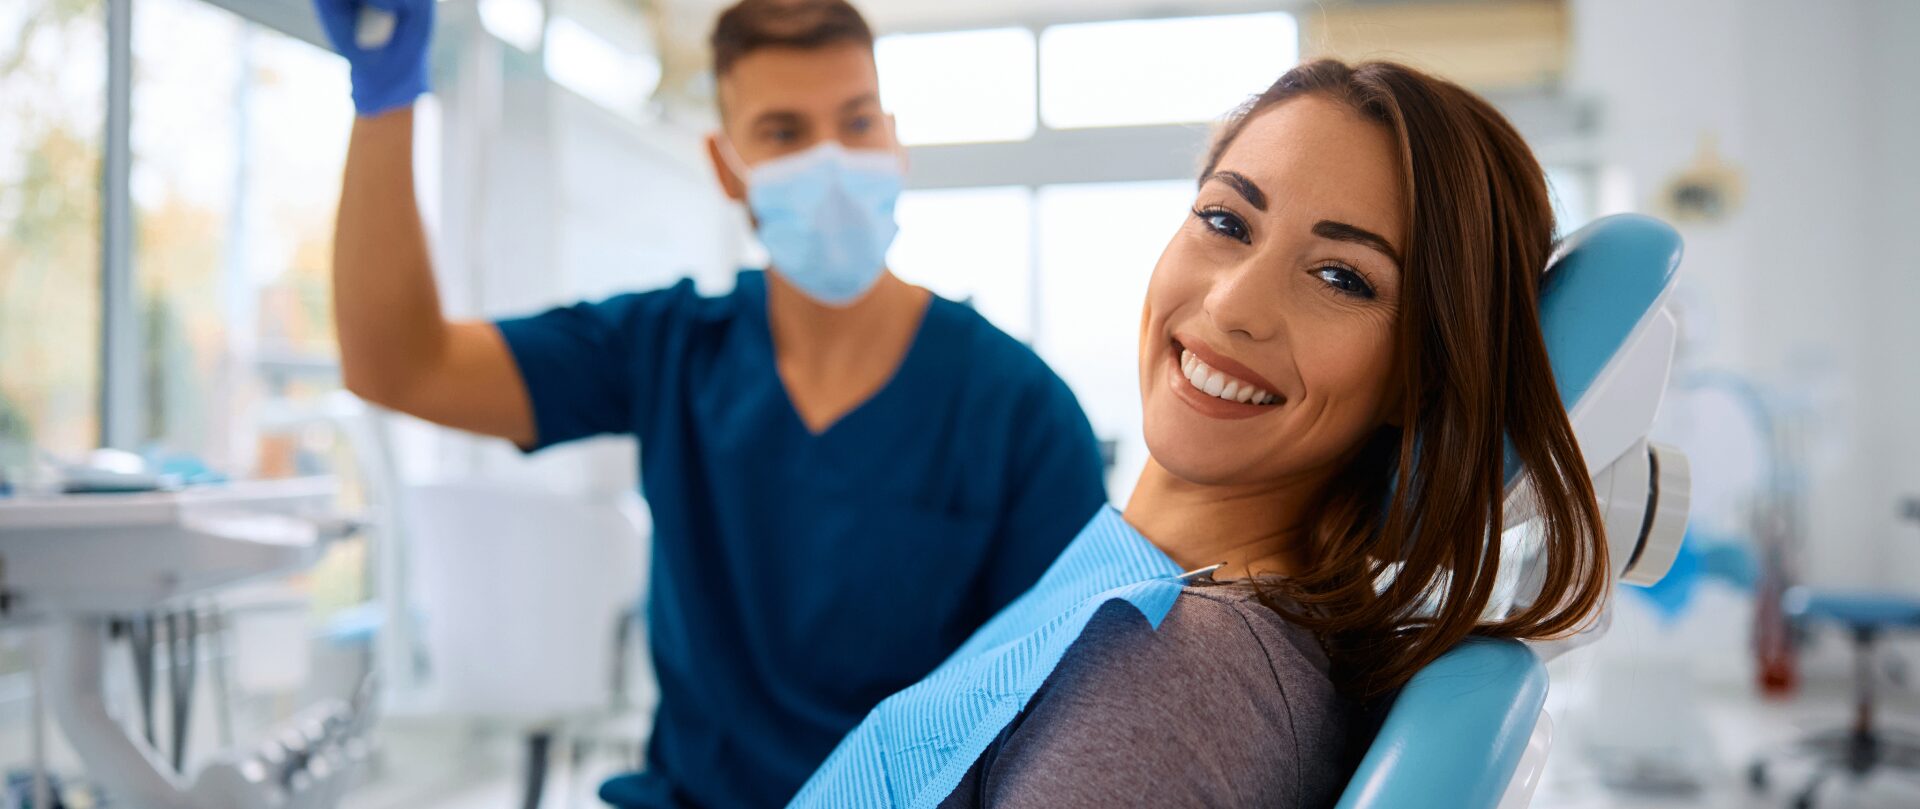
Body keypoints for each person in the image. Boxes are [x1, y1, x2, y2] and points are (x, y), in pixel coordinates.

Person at [309, 0, 1107, 806]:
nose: (830, 160)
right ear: (729, 169)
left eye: (857, 122)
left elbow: (1073, 722)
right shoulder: (670, 349)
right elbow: (402, 366)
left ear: (894, 144)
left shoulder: (1022, 413)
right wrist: (384, 95)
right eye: (785, 133)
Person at [795, 59, 1613, 807]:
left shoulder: (1179, 676)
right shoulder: (1153, 595)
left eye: (1342, 277)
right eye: (1227, 221)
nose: (1231, 307)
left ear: (1419, 376)